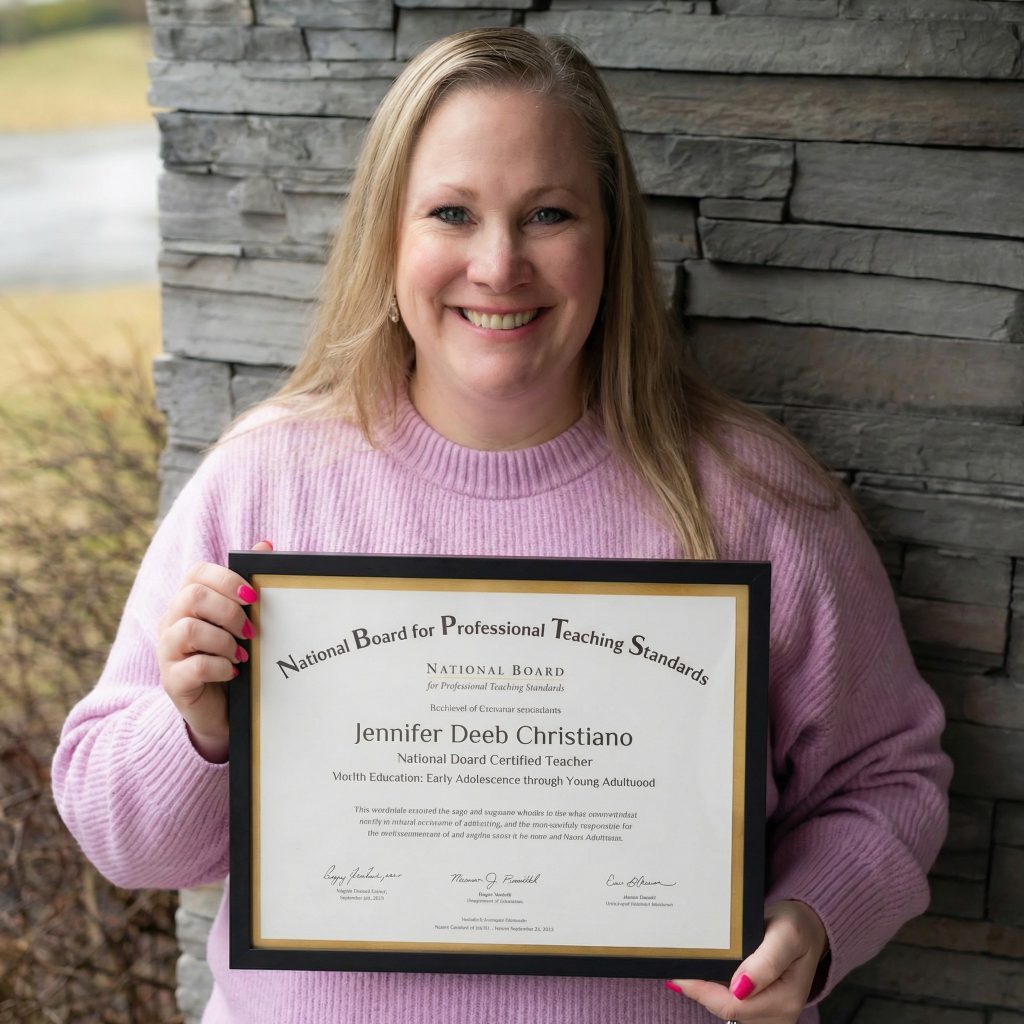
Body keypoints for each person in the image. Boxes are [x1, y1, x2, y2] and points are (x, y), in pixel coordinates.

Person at [53, 27, 950, 1024]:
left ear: (608, 238)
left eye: (548, 214)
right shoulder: (267, 479)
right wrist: (195, 730)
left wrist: (813, 918)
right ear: (387, 237)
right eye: (450, 213)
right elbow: (126, 841)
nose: (498, 263)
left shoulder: (754, 501)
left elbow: (889, 777)